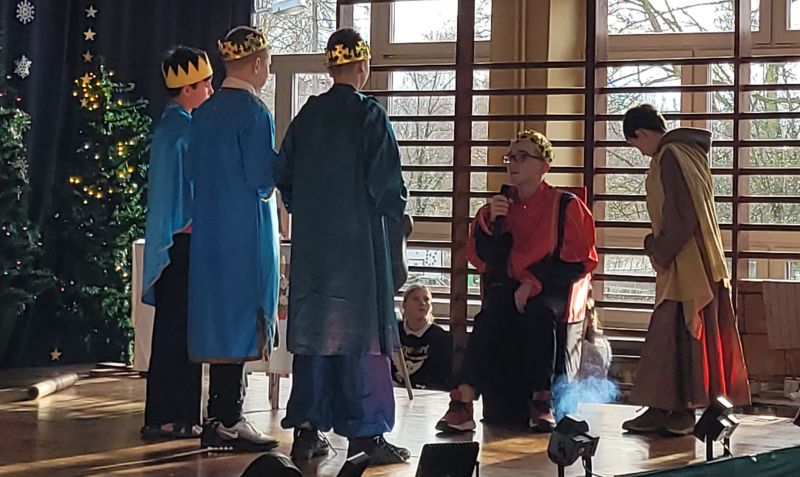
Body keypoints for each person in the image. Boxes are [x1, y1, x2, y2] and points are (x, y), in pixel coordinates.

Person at [276, 28, 411, 466]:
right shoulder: (369, 116)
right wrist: (397, 221)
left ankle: (306, 430)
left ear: (329, 67)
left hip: (315, 249)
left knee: (315, 338)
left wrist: (311, 213)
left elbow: (284, 175)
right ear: (363, 66)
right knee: (360, 339)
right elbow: (388, 188)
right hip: (358, 250)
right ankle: (366, 436)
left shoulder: (307, 116)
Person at [436, 129, 597, 434]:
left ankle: (541, 400)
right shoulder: (497, 207)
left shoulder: (566, 205)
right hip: (511, 284)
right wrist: (491, 226)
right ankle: (464, 399)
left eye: (523, 157)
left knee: (539, 312)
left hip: (553, 283)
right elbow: (485, 259)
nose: (513, 163)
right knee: (491, 313)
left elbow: (579, 259)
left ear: (543, 166)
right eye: (510, 156)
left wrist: (535, 280)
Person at [621, 104, 750, 436]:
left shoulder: (670, 156)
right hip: (700, 259)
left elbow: (681, 213)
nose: (641, 152)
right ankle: (668, 408)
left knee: (675, 333)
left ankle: (677, 410)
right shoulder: (690, 153)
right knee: (676, 334)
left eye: (636, 145)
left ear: (642, 134)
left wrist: (658, 249)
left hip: (685, 262)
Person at [186, 26, 280, 452]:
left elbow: (193, 172)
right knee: (244, 319)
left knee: (218, 320)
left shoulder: (203, 113)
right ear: (257, 63)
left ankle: (217, 415)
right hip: (245, 233)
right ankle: (229, 418)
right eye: (269, 63)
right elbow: (261, 180)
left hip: (209, 231)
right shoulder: (255, 114)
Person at [140, 45, 213, 440]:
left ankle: (168, 414)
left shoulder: (169, 128)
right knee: (180, 332)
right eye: (205, 84)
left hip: (175, 243)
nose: (210, 91)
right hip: (181, 242)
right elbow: (191, 189)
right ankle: (174, 416)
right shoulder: (182, 131)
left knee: (173, 329)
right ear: (187, 89)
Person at [392, 284, 452, 391]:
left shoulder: (440, 337)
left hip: (425, 393)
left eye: (426, 299)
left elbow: (441, 377)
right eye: (416, 299)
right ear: (404, 304)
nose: (422, 303)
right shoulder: (393, 332)